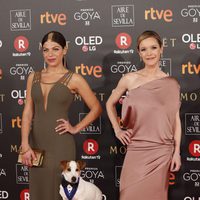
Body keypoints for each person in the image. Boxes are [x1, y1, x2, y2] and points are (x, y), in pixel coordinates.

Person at [20, 31, 102, 200]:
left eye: (55, 49)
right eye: (46, 50)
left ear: (65, 50)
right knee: (39, 190)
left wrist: (75, 127)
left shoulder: (74, 79)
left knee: (60, 192)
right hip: (36, 145)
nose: (50, 54)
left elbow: (96, 108)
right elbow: (27, 112)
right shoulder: (32, 77)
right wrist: (24, 144)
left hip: (61, 145)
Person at [106, 30, 181, 200]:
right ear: (139, 53)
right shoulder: (129, 79)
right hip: (136, 149)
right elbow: (109, 103)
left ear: (162, 49)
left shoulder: (171, 84)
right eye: (144, 49)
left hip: (162, 152)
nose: (149, 53)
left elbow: (176, 120)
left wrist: (176, 152)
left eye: (153, 47)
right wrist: (117, 130)